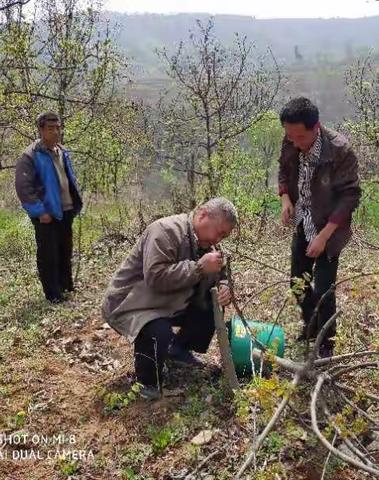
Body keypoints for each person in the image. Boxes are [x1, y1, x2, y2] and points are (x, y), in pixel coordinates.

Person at [102, 198, 237, 399]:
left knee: (211, 302)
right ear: (202, 215)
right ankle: (147, 381)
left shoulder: (205, 241)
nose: (218, 240)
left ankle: (179, 350)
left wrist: (224, 285)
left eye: (224, 236)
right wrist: (199, 268)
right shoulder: (165, 231)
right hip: (132, 302)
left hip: (166, 299)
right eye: (219, 232)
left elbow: (219, 271)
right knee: (158, 332)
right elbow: (155, 278)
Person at [278, 97, 361, 357]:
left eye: (300, 137)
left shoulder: (339, 150)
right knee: (297, 282)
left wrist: (324, 236)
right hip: (303, 221)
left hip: (330, 229)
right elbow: (283, 169)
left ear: (316, 127)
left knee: (325, 287)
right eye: (290, 136)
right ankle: (312, 325)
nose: (295, 142)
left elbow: (350, 196)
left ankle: (327, 341)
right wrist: (285, 198)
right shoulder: (291, 140)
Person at [15, 112, 83, 303]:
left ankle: (65, 287)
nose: (55, 132)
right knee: (48, 255)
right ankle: (53, 295)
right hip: (47, 214)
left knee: (64, 250)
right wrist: (39, 211)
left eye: (58, 128)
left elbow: (67, 178)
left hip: (65, 210)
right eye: (51, 129)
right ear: (41, 130)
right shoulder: (30, 155)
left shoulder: (61, 151)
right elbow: (23, 188)